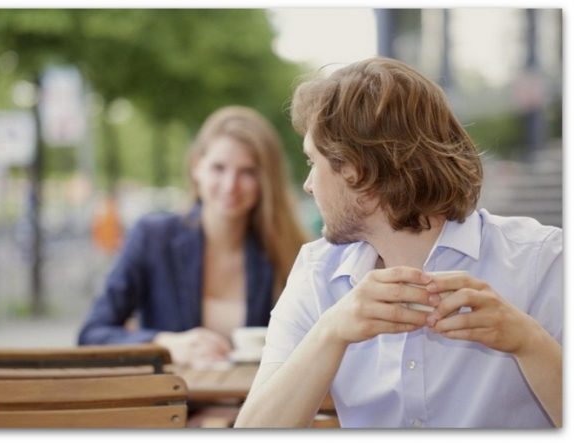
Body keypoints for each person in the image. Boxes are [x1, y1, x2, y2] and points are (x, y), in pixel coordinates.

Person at [235, 57, 562, 428]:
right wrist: (331, 332)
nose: (309, 185)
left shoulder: (542, 259)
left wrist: (528, 341)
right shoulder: (316, 272)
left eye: (313, 162)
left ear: (356, 169)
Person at [78, 106, 309, 367]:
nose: (230, 185)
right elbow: (92, 334)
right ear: (197, 167)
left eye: (248, 172)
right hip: (175, 393)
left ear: (266, 180)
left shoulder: (287, 251)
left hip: (256, 393)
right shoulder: (153, 238)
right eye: (218, 168)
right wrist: (164, 344)